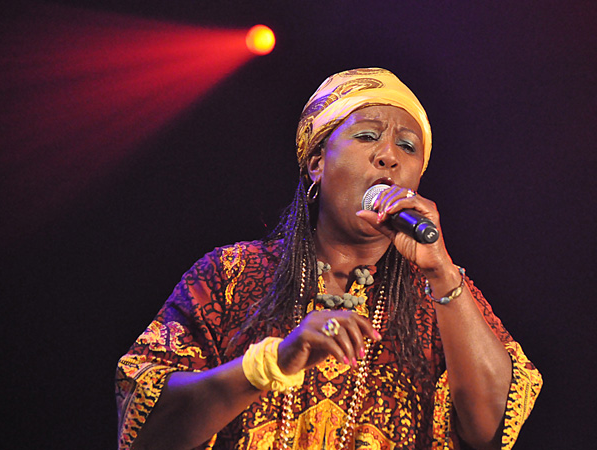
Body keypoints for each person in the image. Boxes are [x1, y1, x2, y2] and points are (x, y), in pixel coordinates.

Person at [115, 68, 542, 450]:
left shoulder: (441, 295)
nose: (389, 156)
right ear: (317, 162)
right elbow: (146, 428)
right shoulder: (230, 274)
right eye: (368, 136)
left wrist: (442, 272)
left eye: (407, 146)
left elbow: (490, 432)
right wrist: (274, 362)